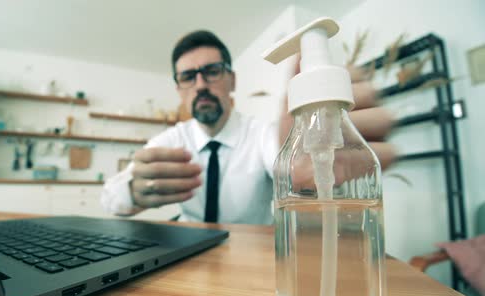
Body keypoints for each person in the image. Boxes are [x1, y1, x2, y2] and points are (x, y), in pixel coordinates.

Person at [101, 30, 395, 224]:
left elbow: (285, 164)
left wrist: (300, 161)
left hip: (256, 257)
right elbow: (109, 199)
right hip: (187, 259)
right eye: (189, 77)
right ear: (179, 88)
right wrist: (134, 190)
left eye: (212, 72)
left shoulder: (262, 135)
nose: (201, 85)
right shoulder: (171, 141)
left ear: (232, 80)